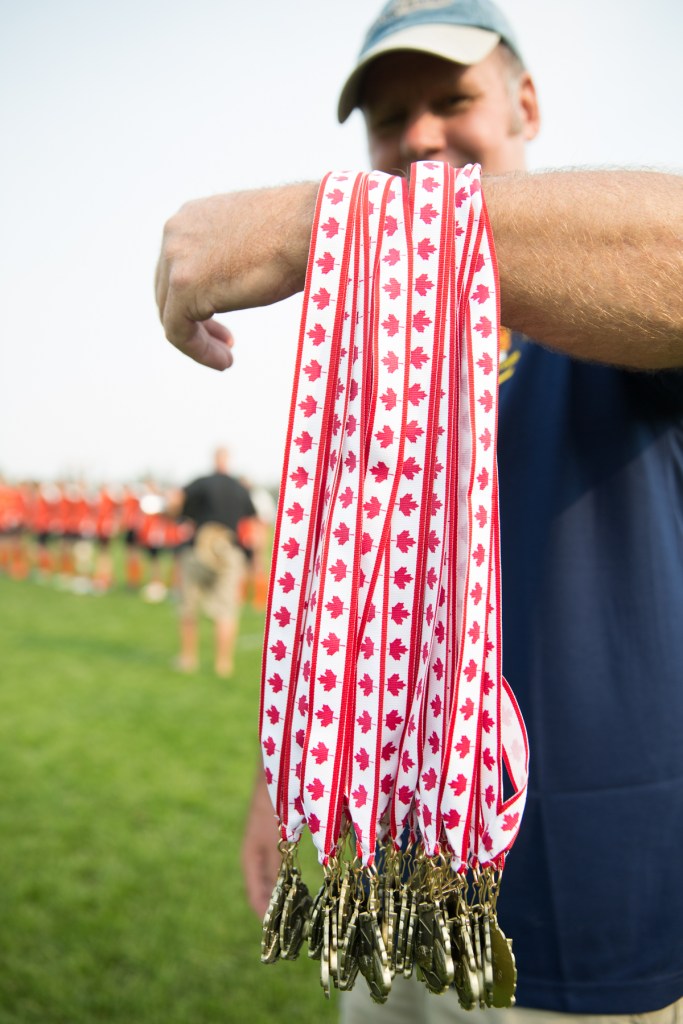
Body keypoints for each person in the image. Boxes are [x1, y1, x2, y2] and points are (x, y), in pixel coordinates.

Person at [154, 0, 683, 1018]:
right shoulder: (379, 347)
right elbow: (337, 579)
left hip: (598, 920)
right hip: (384, 890)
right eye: (389, 119)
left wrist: (318, 220)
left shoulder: (604, 280)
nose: (420, 137)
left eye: (451, 99)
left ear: (524, 103)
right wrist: (283, 775)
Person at [168, 447, 257, 678]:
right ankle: (223, 664)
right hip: (229, 550)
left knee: (189, 607)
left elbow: (176, 499)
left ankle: (188, 659)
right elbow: (252, 521)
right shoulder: (240, 488)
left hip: (198, 548)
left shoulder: (200, 482)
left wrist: (174, 515)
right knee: (227, 610)